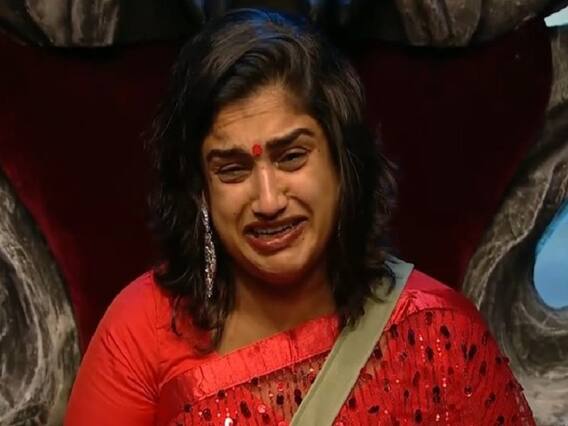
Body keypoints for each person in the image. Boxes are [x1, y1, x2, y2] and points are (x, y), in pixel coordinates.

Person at [64, 9, 535, 426]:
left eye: (291, 157)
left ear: (343, 164)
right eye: (232, 169)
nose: (268, 200)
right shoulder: (143, 330)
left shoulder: (439, 336)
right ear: (198, 188)